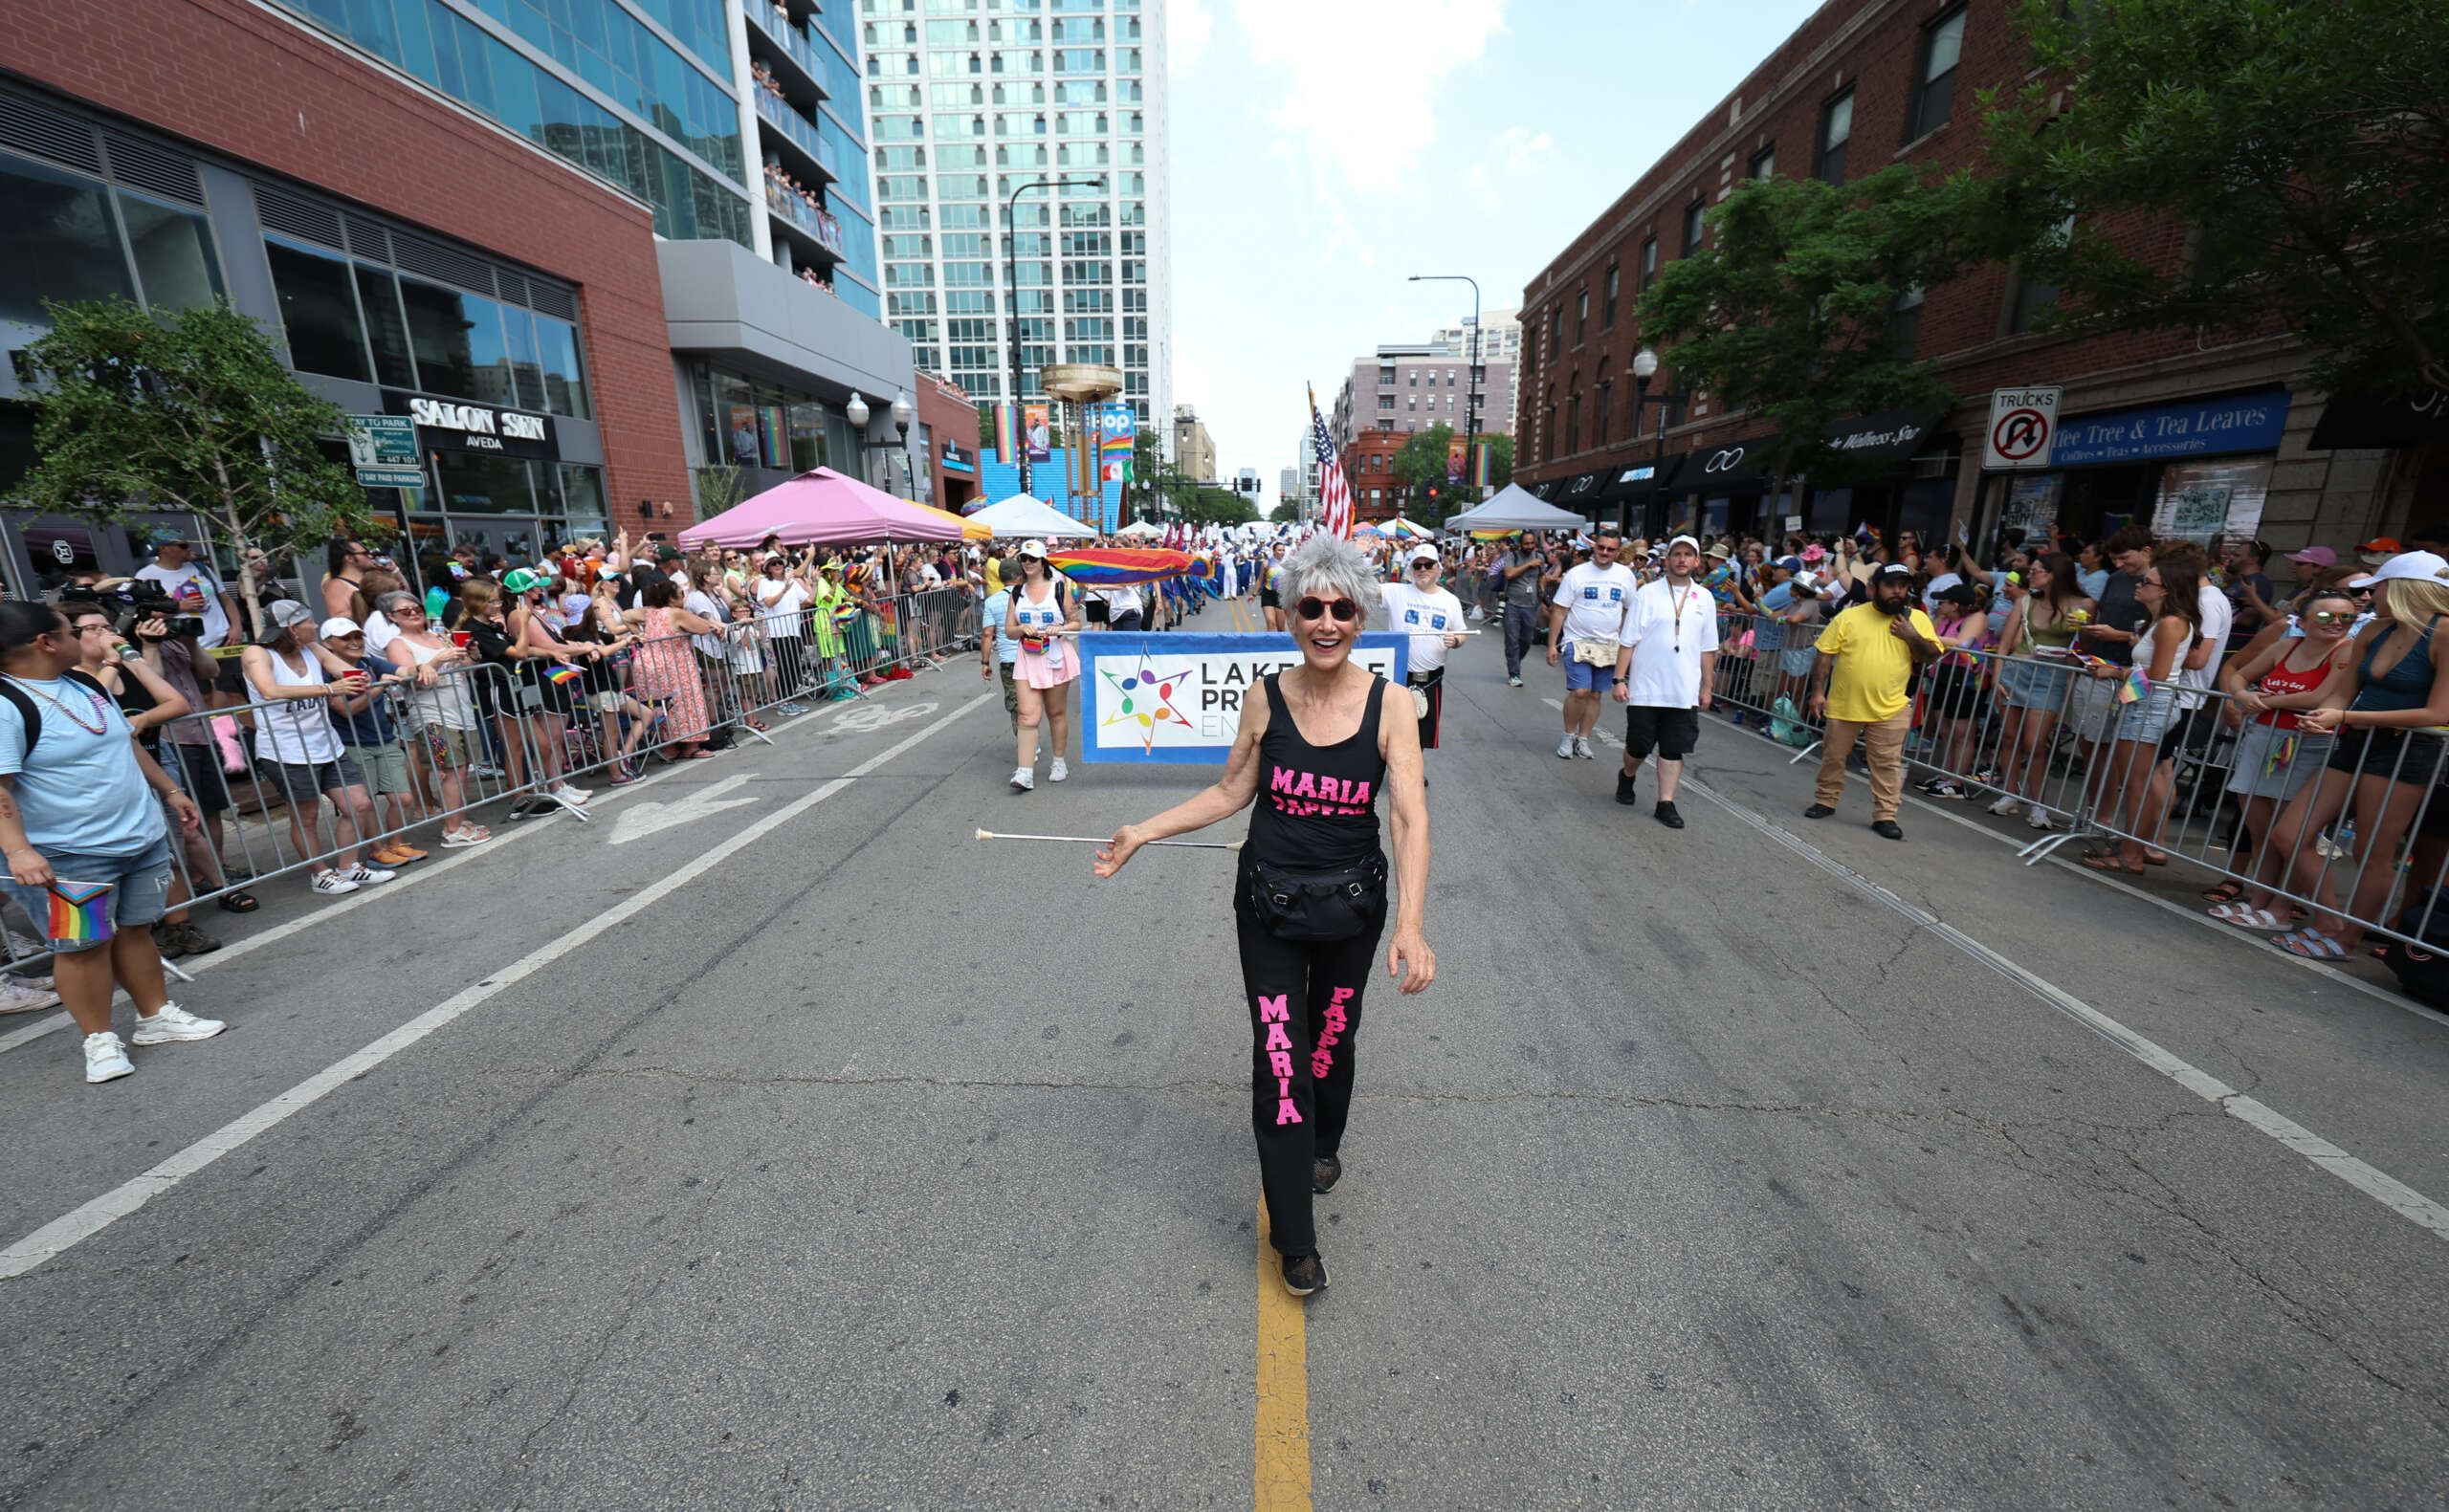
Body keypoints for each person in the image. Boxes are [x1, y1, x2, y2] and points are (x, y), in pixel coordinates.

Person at [1092, 534, 1435, 1299]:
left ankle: (1324, 1140)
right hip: (1269, 907)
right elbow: (1231, 790)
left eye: (1341, 609)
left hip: (1351, 908)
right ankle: (1295, 1239)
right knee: (1282, 1057)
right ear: (1290, 615)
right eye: (1311, 607)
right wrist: (1144, 831)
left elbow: (1410, 814)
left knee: (1331, 1041)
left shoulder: (1391, 704)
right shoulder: (1264, 697)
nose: (1326, 622)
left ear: (1360, 617)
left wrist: (1411, 923)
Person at [0, 601, 225, 1084]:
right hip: (70, 855)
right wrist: (18, 850)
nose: (85, 638)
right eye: (71, 631)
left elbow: (123, 741)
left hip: (139, 838)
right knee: (81, 948)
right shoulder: (6, 705)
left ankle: (155, 1017)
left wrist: (171, 791)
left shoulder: (84, 683)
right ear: (46, 643)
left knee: (135, 930)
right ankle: (99, 1040)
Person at [2235, 554, 2449, 959]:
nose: (2369, 597)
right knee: (2289, 833)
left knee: (2373, 851)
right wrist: (2323, 715)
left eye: (2376, 588)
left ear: (2401, 589)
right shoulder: (2375, 630)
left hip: (2406, 750)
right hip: (2354, 741)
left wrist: (2345, 716)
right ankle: (2329, 922)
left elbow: (2439, 712)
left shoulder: (2444, 633)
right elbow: (2342, 693)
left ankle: (2347, 939)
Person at [2204, 589, 2359, 921]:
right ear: (2302, 621)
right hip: (2261, 739)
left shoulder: (2347, 650)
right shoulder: (2286, 645)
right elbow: (2240, 674)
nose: (2337, 622)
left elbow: (2320, 696)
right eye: (2325, 615)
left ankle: (2281, 908)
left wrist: (2263, 701)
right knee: (2261, 832)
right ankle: (2259, 901)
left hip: (2308, 745)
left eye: (2347, 616)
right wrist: (2241, 694)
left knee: (2293, 837)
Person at [239, 601, 396, 893]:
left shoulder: (311, 649)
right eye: (309, 622)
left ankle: (348, 866)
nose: (315, 626)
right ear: (292, 629)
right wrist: (329, 689)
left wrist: (361, 676)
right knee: (307, 816)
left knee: (359, 804)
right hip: (287, 750)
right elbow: (269, 690)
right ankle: (320, 874)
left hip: (327, 744)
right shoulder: (257, 653)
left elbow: (345, 670)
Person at [2078, 556, 2202, 876]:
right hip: (2141, 702)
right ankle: (2130, 846)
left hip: (2152, 705)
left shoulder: (2172, 623)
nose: (2139, 585)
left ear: (2165, 590)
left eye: (2147, 582)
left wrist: (2115, 672)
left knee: (2137, 784)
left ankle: (2132, 854)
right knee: (2134, 782)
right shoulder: (2158, 622)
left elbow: (2158, 675)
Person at [1804, 562, 1944, 839]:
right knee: (1834, 757)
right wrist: (1818, 692)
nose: (1897, 591)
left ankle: (1885, 816)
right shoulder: (1849, 617)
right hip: (1844, 705)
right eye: (1890, 585)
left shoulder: (1916, 619)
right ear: (1873, 589)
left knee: (1887, 764)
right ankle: (1826, 800)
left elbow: (1930, 656)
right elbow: (1825, 655)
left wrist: (1911, 635)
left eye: (1903, 586)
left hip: (1891, 707)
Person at [1608, 535, 1717, 828]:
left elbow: (1708, 648)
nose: (1682, 559)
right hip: (1646, 687)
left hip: (1683, 690)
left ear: (1697, 561)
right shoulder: (1648, 593)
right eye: (1677, 554)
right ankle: (1627, 775)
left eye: (1688, 555)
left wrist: (1707, 687)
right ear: (1667, 560)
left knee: (1673, 748)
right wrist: (1619, 679)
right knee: (1638, 746)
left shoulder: (1705, 598)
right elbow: (1628, 640)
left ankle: (1665, 803)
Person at [1985, 553, 2092, 828]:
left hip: (2051, 676)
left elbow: (2087, 647)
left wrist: (2084, 628)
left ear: (2053, 574)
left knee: (2035, 742)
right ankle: (2010, 793)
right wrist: (1997, 678)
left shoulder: (2083, 604)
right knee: (2009, 736)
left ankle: (2039, 805)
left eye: (2035, 571)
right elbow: (2004, 644)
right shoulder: (2025, 601)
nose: (2030, 575)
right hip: (2016, 671)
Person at [381, 593, 492, 846]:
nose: (413, 612)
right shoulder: (397, 644)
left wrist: (473, 655)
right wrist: (437, 660)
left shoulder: (440, 636)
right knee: (451, 770)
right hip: (431, 713)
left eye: (416, 607)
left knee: (462, 769)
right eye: (405, 610)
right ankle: (451, 829)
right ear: (392, 617)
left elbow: (465, 668)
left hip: (460, 708)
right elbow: (412, 680)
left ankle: (459, 820)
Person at [320, 616, 427, 868]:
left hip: (385, 738)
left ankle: (395, 844)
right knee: (364, 803)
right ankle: (376, 850)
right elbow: (344, 710)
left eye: (358, 636)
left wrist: (424, 667)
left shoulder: (368, 662)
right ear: (327, 644)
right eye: (346, 638)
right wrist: (379, 687)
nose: (355, 642)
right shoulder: (326, 673)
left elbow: (403, 671)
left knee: (403, 798)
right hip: (352, 743)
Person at [1546, 526, 1639, 759]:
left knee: (1596, 695)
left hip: (1609, 644)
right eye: (1601, 547)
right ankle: (1568, 735)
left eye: (1610, 549)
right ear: (1594, 547)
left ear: (1617, 552)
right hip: (1577, 641)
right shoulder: (1577, 574)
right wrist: (1552, 645)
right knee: (1580, 691)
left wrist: (1625, 639)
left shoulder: (1625, 576)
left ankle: (1583, 739)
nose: (1605, 552)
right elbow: (1560, 610)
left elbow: (1630, 610)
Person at [1379, 544, 1466, 770]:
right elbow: (1361, 588)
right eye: (1418, 565)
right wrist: (1371, 555)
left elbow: (1461, 632)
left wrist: (1456, 641)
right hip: (1399, 675)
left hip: (1431, 678)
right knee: (1391, 728)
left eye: (1428, 565)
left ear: (1438, 567)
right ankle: (1395, 767)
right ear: (1411, 568)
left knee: (1422, 732)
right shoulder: (1396, 592)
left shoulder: (1450, 601)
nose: (1423, 569)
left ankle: (1412, 770)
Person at [1005, 541, 1084, 792]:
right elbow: (1009, 631)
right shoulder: (1017, 593)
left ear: (1043, 562)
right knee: (1026, 714)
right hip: (1027, 657)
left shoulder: (1059, 589)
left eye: (1033, 558)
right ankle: (1025, 771)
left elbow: (1076, 623)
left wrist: (1059, 628)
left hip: (1055, 656)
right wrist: (1021, 628)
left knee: (1056, 713)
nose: (1028, 563)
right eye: (1024, 558)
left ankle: (1059, 762)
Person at [621, 578, 723, 760]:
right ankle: (692, 746)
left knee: (660, 705)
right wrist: (714, 625)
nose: (684, 597)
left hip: (647, 663)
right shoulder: (676, 613)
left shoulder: (649, 612)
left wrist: (641, 634)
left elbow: (626, 615)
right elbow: (702, 628)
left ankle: (669, 747)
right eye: (681, 594)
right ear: (671, 597)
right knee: (687, 703)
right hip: (674, 663)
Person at [1494, 535, 1546, 687]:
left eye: (1532, 543)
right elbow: (1509, 574)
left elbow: (1542, 576)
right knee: (1512, 639)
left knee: (1527, 640)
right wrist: (1529, 564)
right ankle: (1514, 673)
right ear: (1520, 544)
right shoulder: (1512, 556)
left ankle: (1515, 660)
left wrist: (1542, 590)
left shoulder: (1539, 557)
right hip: (1513, 604)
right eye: (1526, 544)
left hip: (1531, 605)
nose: (1529, 546)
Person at [980, 563, 1024, 735]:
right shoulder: (1028, 596)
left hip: (1008, 659)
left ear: (999, 578)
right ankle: (1031, 738)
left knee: (1015, 703)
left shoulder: (991, 601)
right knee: (1034, 700)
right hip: (1032, 654)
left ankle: (1025, 741)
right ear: (1020, 576)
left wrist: (985, 663)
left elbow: (987, 634)